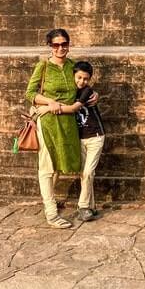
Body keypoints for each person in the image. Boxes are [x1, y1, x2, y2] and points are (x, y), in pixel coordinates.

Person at [26, 28, 83, 229]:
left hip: (67, 122)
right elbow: (30, 93)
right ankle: (51, 212)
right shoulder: (43, 67)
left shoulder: (73, 66)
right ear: (50, 46)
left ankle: (50, 201)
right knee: (47, 166)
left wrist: (94, 96)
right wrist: (50, 102)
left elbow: (82, 87)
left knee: (59, 163)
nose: (60, 48)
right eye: (56, 45)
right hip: (48, 121)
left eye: (64, 44)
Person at [73, 60, 106, 221]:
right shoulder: (68, 91)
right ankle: (91, 207)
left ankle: (83, 207)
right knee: (84, 174)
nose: (81, 81)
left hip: (95, 136)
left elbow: (75, 107)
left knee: (88, 172)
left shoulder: (87, 91)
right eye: (78, 77)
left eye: (85, 79)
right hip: (80, 138)